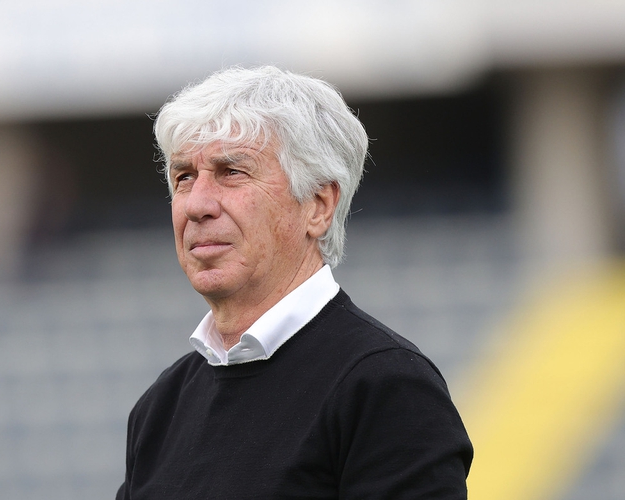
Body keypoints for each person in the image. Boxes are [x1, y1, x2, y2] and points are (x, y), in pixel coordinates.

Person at [116, 66, 473, 499]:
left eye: (232, 171)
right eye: (184, 177)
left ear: (318, 206)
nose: (196, 204)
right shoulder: (161, 407)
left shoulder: (386, 386)